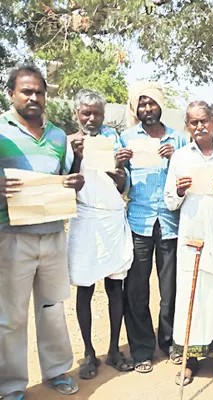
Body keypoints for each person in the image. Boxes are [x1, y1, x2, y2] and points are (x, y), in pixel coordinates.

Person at [0, 65, 85, 399]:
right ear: (11, 94)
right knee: (11, 317)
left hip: (52, 234)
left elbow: (65, 178)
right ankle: (10, 386)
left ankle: (55, 371)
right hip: (12, 236)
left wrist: (75, 175)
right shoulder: (1, 130)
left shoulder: (57, 136)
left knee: (52, 310)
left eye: (39, 92)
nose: (34, 97)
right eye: (26, 92)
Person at [164, 101, 213, 387]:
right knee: (191, 298)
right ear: (187, 126)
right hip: (192, 238)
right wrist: (179, 190)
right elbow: (170, 202)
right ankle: (189, 360)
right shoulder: (180, 157)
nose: (199, 127)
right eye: (193, 122)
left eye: (204, 121)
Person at [67, 89, 134, 380]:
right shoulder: (69, 143)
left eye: (97, 113)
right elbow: (65, 181)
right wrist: (76, 157)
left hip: (111, 219)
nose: (91, 118)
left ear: (104, 116)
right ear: (77, 115)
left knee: (115, 288)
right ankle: (89, 353)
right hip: (84, 219)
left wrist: (120, 171)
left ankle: (114, 351)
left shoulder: (115, 141)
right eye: (86, 113)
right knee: (85, 287)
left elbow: (124, 184)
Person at [120, 82, 187, 373]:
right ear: (135, 108)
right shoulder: (126, 137)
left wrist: (177, 159)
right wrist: (118, 163)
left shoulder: (179, 140)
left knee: (170, 288)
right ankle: (142, 349)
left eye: (152, 103)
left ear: (161, 105)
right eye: (141, 104)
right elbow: (121, 182)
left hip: (170, 222)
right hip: (139, 221)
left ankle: (170, 342)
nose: (147, 109)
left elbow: (188, 179)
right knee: (136, 288)